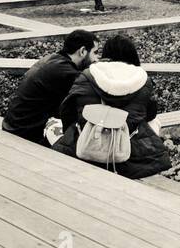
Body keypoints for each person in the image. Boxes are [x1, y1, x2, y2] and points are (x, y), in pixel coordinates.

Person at [53, 34, 171, 179]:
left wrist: (72, 132)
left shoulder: (88, 74)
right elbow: (150, 113)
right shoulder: (142, 79)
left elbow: (67, 108)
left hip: (87, 142)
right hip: (126, 150)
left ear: (106, 54)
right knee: (154, 121)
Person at [1, 29, 97, 145]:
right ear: (82, 51)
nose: (97, 59)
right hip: (26, 133)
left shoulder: (54, 59)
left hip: (13, 125)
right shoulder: (67, 72)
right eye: (95, 53)